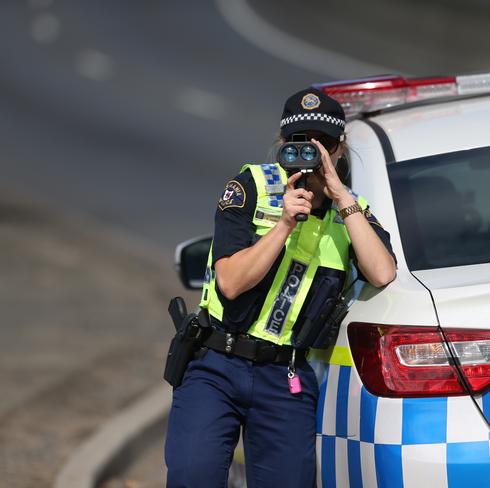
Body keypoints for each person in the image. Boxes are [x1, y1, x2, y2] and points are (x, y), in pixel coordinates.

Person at [164, 88, 397, 488]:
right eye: (299, 143)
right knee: (192, 477)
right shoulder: (250, 186)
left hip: (284, 375)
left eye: (321, 144)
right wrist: (284, 224)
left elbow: (382, 273)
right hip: (217, 361)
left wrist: (340, 194)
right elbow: (232, 283)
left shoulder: (352, 211)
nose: (311, 153)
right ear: (282, 145)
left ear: (339, 148)